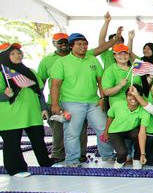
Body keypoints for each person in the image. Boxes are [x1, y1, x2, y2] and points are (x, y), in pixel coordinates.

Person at [50, 33, 116, 166]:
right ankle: (72, 160)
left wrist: (103, 98)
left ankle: (108, 156)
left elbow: (100, 81)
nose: (83, 46)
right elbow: (55, 85)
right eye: (79, 44)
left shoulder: (92, 60)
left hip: (94, 102)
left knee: (103, 128)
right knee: (72, 132)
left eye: (85, 44)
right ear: (71, 46)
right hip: (71, 102)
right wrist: (55, 104)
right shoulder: (61, 62)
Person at [0, 42, 52, 177]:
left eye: (19, 53)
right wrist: (5, 95)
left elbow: (39, 92)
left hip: (32, 113)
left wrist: (43, 108)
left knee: (38, 140)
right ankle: (16, 169)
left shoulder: (30, 71)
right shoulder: (1, 74)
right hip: (10, 115)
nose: (17, 56)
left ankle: (46, 163)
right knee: (12, 143)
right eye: (12, 54)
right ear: (4, 56)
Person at [37, 32, 87, 163]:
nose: (63, 44)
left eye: (66, 42)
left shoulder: (81, 57)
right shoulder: (47, 60)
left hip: (77, 101)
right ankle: (58, 154)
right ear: (54, 43)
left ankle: (81, 154)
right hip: (56, 101)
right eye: (60, 42)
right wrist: (43, 105)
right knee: (58, 131)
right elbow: (40, 84)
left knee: (79, 129)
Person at [104, 85, 145, 169]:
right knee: (122, 152)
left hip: (131, 130)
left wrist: (142, 154)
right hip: (115, 131)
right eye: (130, 95)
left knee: (137, 134)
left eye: (136, 95)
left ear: (140, 97)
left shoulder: (143, 109)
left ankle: (136, 159)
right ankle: (121, 160)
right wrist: (106, 132)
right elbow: (110, 118)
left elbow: (142, 132)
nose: (133, 98)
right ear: (126, 96)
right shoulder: (117, 104)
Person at [101, 42, 142, 108]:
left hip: (137, 104)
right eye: (119, 54)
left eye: (125, 53)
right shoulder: (110, 70)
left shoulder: (134, 68)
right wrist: (120, 85)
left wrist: (151, 77)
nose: (123, 56)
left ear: (129, 55)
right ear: (114, 56)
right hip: (120, 107)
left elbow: (141, 86)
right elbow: (107, 92)